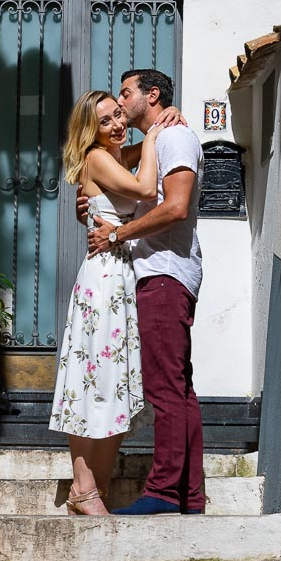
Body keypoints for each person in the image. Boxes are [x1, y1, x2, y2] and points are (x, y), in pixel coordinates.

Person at [85, 69, 206, 514]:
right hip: (162, 274)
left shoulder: (175, 138)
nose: (121, 102)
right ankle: (190, 496)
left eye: (126, 93)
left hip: (164, 274)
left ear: (151, 95)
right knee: (180, 389)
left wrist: (118, 234)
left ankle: (162, 491)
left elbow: (174, 207)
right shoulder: (159, 138)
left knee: (164, 389)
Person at [49, 90, 167, 516]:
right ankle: (83, 487)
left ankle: (93, 487)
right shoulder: (100, 158)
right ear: (90, 132)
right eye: (106, 122)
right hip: (103, 279)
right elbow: (146, 186)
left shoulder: (113, 155)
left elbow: (130, 157)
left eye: (119, 115)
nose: (118, 124)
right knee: (89, 381)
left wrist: (150, 132)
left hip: (118, 276)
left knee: (113, 380)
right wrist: (153, 136)